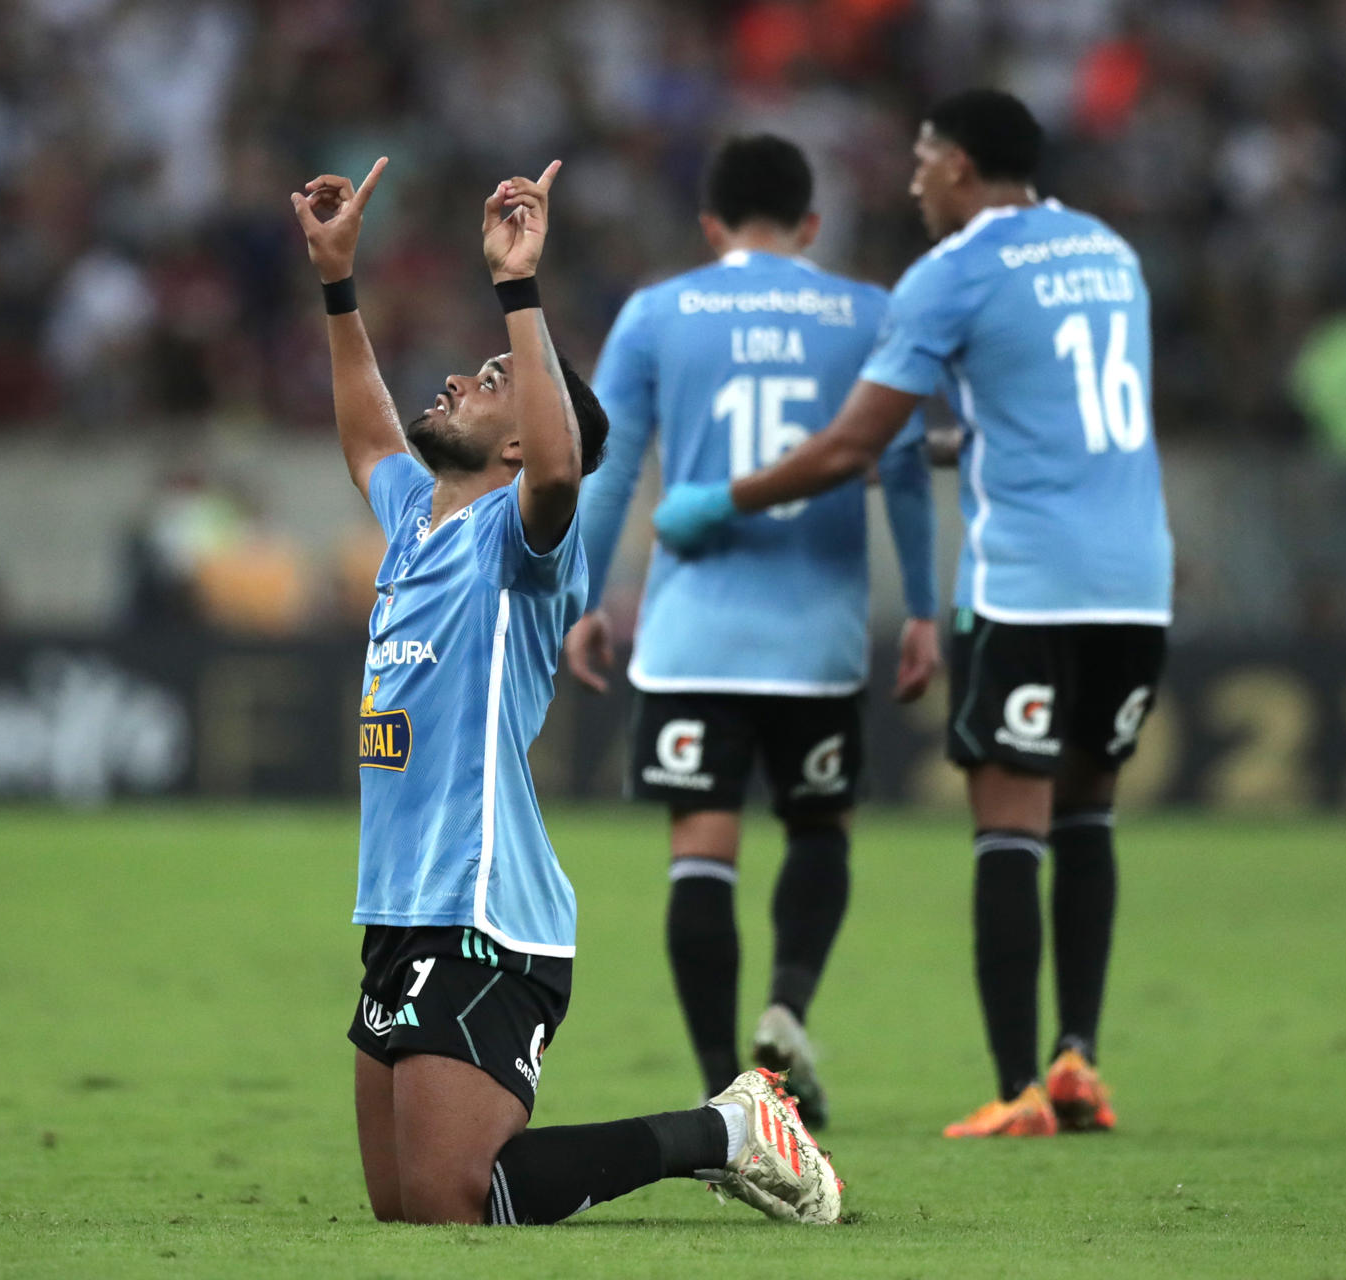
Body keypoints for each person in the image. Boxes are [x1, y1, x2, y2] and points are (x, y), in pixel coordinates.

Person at [290, 156, 840, 1225]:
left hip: (486, 912)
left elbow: (556, 470)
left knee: (458, 1200)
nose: (455, 379)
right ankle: (721, 1126)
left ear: (517, 440)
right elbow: (366, 432)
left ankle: (727, 1128)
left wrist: (520, 291)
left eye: (489, 380)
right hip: (398, 909)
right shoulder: (418, 515)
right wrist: (337, 285)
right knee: (405, 1209)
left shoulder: (521, 538)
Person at [653, 90, 1173, 1139]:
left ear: (964, 168)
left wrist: (724, 496)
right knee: (1089, 810)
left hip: (1031, 581)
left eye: (924, 158)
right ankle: (1079, 1058)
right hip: (1137, 576)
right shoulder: (1109, 251)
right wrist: (945, 449)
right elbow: (1046, 417)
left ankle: (1015, 1084)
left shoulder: (954, 273)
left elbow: (849, 444)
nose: (911, 180)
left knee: (1008, 823)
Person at [565, 134, 939, 1126]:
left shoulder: (658, 311)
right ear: (812, 225)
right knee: (820, 827)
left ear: (709, 225)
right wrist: (928, 607)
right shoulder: (867, 312)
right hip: (816, 634)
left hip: (694, 632)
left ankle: (716, 1077)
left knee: (703, 845)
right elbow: (902, 466)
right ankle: (788, 1005)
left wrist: (586, 599)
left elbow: (608, 467)